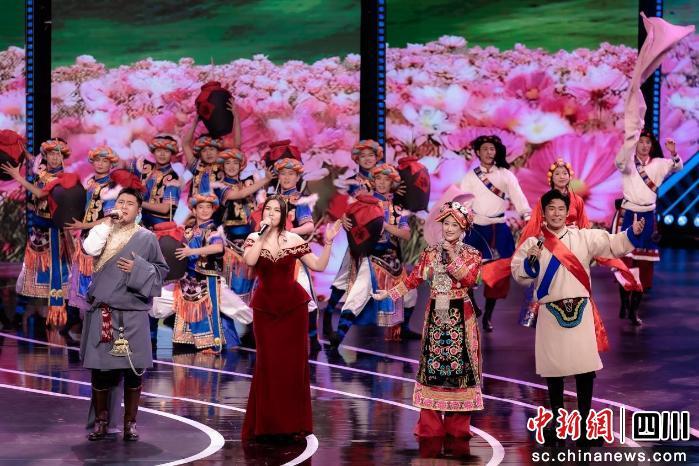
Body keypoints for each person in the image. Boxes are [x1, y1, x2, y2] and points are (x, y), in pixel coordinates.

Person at [511, 190, 645, 446]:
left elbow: (611, 243)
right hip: (550, 313)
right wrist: (530, 263)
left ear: (567, 212)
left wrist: (632, 233)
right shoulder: (533, 244)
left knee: (585, 371)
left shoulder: (583, 237)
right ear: (544, 212)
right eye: (551, 209)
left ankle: (584, 428)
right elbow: (519, 275)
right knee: (554, 373)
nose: (557, 213)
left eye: (561, 208)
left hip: (581, 311)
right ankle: (558, 425)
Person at [373, 201, 483, 441]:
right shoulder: (430, 252)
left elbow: (470, 280)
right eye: (446, 224)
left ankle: (457, 426)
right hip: (437, 312)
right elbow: (413, 279)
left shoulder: (472, 254)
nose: (449, 228)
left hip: (461, 313)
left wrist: (452, 256)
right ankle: (430, 426)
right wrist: (389, 294)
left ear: (463, 228)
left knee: (461, 368)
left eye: (454, 225)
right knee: (434, 368)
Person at [241, 195, 341, 441]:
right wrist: (262, 235)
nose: (272, 213)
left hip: (293, 308)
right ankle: (267, 424)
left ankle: (292, 424)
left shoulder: (294, 239)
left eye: (277, 210)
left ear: (284, 215)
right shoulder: (254, 237)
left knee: (292, 366)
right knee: (267, 364)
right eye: (268, 209)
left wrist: (328, 242)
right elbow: (250, 261)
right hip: (266, 309)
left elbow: (318, 265)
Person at [80, 187, 168, 441]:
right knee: (100, 369)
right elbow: (89, 249)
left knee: (134, 370)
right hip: (104, 310)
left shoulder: (147, 238)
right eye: (121, 201)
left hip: (133, 312)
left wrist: (137, 268)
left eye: (130, 203)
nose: (124, 206)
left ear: (138, 210)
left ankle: (130, 423)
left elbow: (161, 271)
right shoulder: (103, 231)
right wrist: (107, 223)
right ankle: (101, 421)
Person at [328, 163, 415, 346]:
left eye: (386, 179)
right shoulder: (362, 203)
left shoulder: (397, 209)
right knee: (357, 294)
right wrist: (345, 219)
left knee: (410, 294)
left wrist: (385, 225)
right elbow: (349, 220)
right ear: (373, 181)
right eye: (378, 179)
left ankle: (403, 329)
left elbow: (406, 234)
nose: (382, 183)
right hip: (368, 257)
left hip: (391, 259)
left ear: (392, 183)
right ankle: (339, 335)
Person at [459, 135, 531, 332]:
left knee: (498, 276)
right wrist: (462, 217)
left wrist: (526, 215)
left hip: (498, 229)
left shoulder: (506, 175)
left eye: (492, 149)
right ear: (478, 152)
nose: (489, 152)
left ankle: (488, 317)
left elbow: (518, 196)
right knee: (466, 271)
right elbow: (463, 200)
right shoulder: (471, 176)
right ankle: (473, 303)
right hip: (476, 229)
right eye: (485, 149)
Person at [612, 130, 683, 323]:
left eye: (647, 143)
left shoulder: (659, 163)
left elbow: (678, 167)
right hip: (628, 215)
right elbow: (618, 162)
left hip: (647, 217)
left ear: (652, 146)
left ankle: (634, 311)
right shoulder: (627, 162)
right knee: (625, 262)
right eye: (641, 142)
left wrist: (673, 152)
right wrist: (629, 142)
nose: (644, 145)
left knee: (644, 263)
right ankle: (624, 302)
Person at [2, 138, 72, 327]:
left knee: (55, 273)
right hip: (39, 231)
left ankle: (55, 316)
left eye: (58, 154)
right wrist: (23, 152)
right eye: (51, 154)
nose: (55, 158)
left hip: (55, 232)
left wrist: (17, 177)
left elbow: (41, 193)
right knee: (35, 273)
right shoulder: (44, 171)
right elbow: (36, 163)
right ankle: (31, 310)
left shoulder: (63, 178)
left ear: (63, 157)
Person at [323, 139, 382, 338]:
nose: (367, 159)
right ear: (356, 159)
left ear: (377, 157)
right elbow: (343, 206)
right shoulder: (352, 182)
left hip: (382, 236)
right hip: (360, 236)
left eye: (371, 155)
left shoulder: (386, 178)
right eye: (362, 156)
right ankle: (328, 314)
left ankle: (395, 325)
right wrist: (343, 217)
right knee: (345, 275)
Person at [171, 193, 228, 353]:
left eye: (208, 207)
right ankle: (187, 339)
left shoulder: (213, 230)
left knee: (208, 309)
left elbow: (218, 247)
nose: (204, 210)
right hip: (187, 277)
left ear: (213, 209)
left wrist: (192, 251)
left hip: (205, 276)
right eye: (200, 207)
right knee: (186, 307)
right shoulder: (189, 230)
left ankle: (212, 343)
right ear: (194, 211)